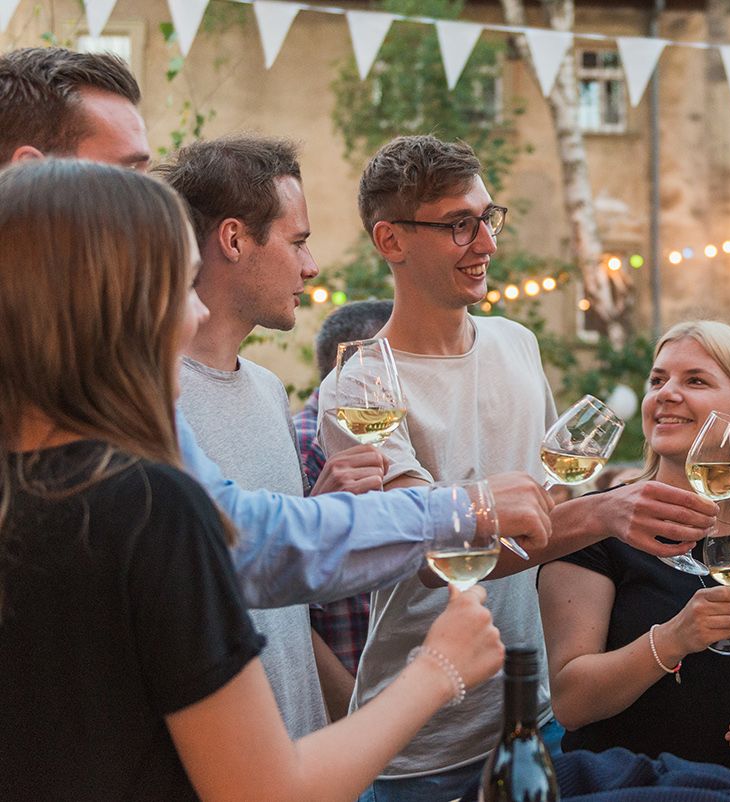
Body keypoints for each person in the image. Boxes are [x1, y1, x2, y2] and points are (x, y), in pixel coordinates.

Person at [0, 158, 505, 801]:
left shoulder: (30, 485)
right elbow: (265, 790)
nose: (193, 314)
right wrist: (439, 669)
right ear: (121, 306)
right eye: (180, 286)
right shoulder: (150, 501)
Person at [0, 46, 551, 609]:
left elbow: (248, 547)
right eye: (127, 174)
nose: (152, 202)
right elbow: (233, 544)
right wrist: (464, 512)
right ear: (32, 171)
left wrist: (320, 514)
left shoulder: (114, 370)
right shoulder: (110, 378)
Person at [318, 135, 718, 801]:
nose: (486, 243)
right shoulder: (360, 387)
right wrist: (604, 514)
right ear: (391, 240)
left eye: (488, 217)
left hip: (533, 714)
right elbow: (432, 553)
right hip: (422, 739)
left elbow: (546, 505)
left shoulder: (516, 342)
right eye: (458, 225)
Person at [538, 320, 730, 779]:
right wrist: (673, 639)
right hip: (626, 787)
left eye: (695, 381)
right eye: (657, 380)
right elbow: (571, 703)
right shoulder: (598, 524)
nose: (666, 393)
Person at [157, 134, 369, 735]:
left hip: (299, 755)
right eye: (297, 242)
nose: (311, 265)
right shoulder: (148, 400)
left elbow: (278, 594)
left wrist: (316, 517)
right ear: (233, 239)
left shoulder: (269, 389)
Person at [296, 300, 395, 699]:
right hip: (352, 705)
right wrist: (357, 713)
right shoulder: (307, 448)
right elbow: (291, 614)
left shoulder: (387, 437)